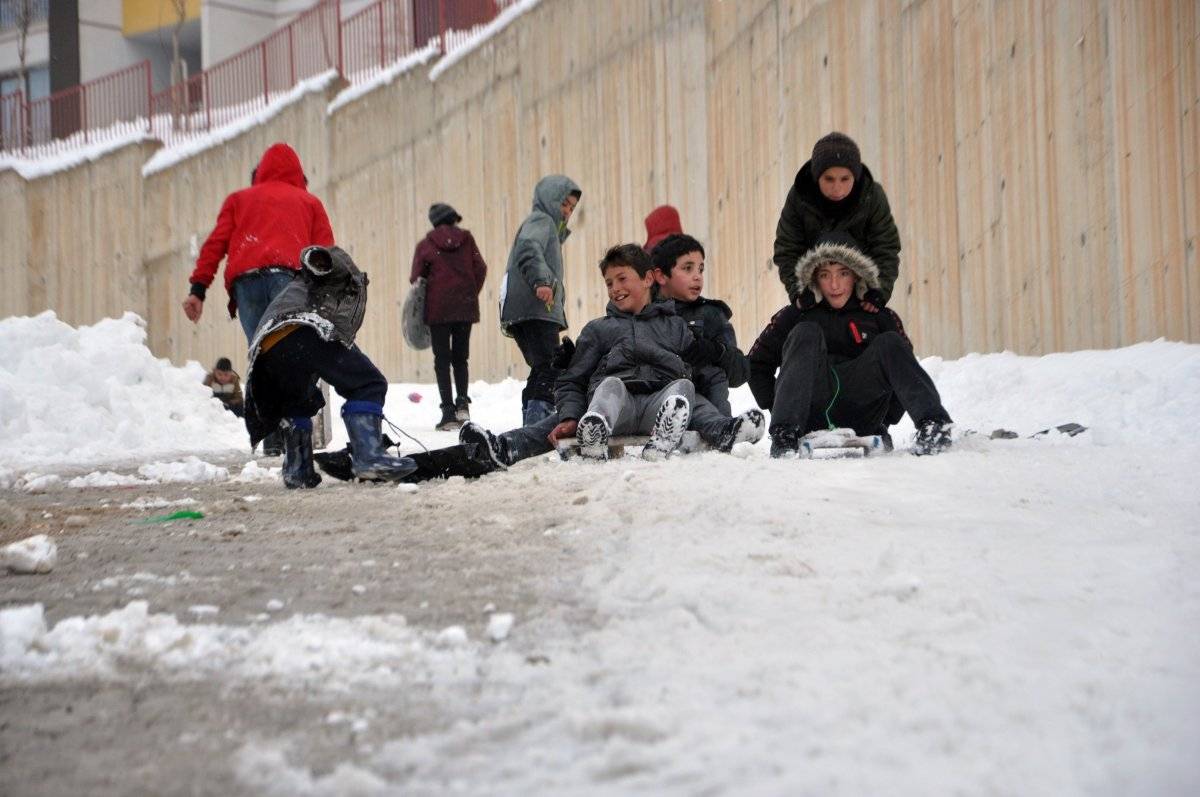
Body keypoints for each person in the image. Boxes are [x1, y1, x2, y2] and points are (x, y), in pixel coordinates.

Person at [748, 233, 953, 457]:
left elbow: (904, 368)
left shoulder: (878, 315)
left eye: (843, 273)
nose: (835, 285)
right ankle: (785, 434)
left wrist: (885, 420)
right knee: (805, 331)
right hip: (810, 411)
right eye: (825, 275)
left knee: (890, 342)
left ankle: (934, 426)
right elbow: (757, 363)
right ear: (815, 278)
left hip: (863, 411)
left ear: (856, 275)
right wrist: (781, 408)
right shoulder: (797, 314)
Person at [548, 243, 744, 461]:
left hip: (658, 408)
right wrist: (569, 415)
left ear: (648, 279)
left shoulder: (674, 326)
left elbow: (702, 369)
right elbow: (573, 379)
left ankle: (673, 437)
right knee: (610, 386)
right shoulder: (598, 329)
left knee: (684, 388)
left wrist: (717, 359)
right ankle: (596, 430)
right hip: (619, 411)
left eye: (622, 279)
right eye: (609, 283)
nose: (614, 288)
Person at [243, 244, 417, 489]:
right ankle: (368, 457)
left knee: (298, 401)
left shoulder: (297, 288)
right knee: (368, 383)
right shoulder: (335, 271)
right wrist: (323, 260)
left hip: (268, 347)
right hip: (304, 327)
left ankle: (297, 469)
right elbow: (318, 259)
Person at [182, 142, 334, 339]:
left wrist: (198, 290)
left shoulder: (238, 200)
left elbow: (214, 245)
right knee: (291, 353)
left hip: (246, 285)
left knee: (261, 356)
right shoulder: (309, 203)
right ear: (300, 176)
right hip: (288, 280)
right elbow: (325, 256)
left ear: (259, 173)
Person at [773, 132, 901, 308]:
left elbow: (885, 247)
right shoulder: (799, 197)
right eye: (829, 179)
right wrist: (799, 291)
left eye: (845, 179)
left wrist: (879, 290)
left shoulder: (872, 196)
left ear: (854, 177)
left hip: (862, 295)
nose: (837, 188)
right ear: (817, 176)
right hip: (815, 293)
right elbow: (787, 249)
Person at [499, 174, 582, 426]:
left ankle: (531, 418)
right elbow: (528, 248)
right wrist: (541, 281)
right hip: (536, 308)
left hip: (527, 309)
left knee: (540, 367)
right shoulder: (542, 221)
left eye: (571, 207)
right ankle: (539, 420)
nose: (567, 211)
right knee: (549, 365)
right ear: (550, 199)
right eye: (564, 204)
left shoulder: (546, 226)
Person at [410, 202, 488, 431]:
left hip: (438, 309)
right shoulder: (467, 240)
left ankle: (448, 414)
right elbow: (481, 268)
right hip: (464, 307)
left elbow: (416, 278)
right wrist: (470, 291)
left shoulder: (426, 245)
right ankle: (463, 404)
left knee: (441, 360)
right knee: (461, 357)